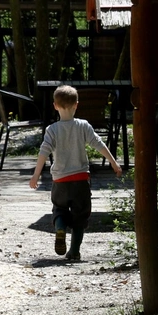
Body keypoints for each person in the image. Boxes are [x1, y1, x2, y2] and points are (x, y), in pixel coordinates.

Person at [28, 85, 123, 261]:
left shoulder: (52, 129)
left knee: (59, 209)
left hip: (60, 180)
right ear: (76, 105)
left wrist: (36, 175)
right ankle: (74, 252)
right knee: (80, 217)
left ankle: (60, 228)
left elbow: (43, 152)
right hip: (81, 179)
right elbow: (98, 143)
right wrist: (114, 163)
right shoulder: (83, 126)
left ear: (55, 106)